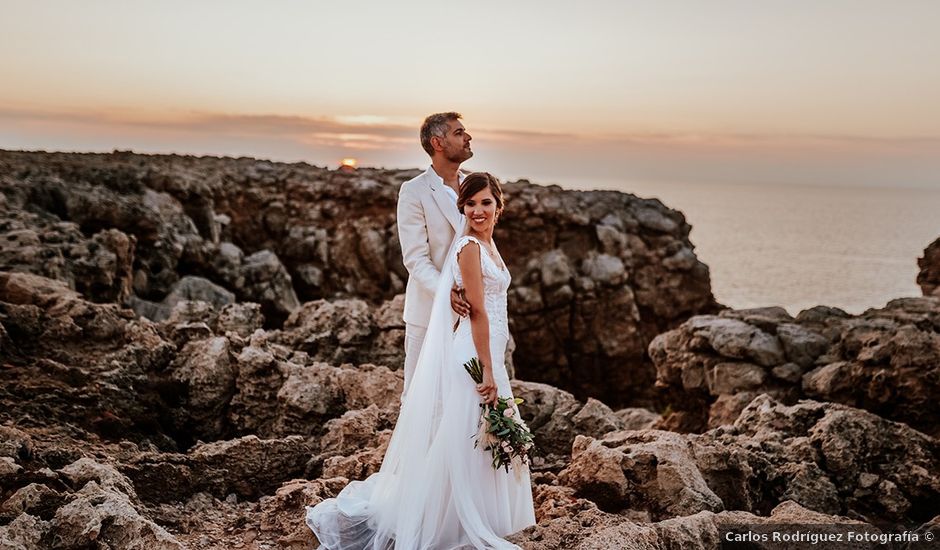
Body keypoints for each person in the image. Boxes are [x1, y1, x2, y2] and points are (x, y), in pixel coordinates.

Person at [305, 172, 536, 549]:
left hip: (489, 349)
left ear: (499, 206)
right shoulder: (471, 249)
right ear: (463, 208)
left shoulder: (489, 245)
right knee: (465, 437)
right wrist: (489, 370)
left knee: (478, 436)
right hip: (475, 355)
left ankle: (481, 517)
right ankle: (451, 523)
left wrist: (495, 360)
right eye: (471, 203)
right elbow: (477, 312)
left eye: (485, 203)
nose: (478, 210)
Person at [397, 112, 474, 402]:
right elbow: (415, 258)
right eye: (459, 133)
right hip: (428, 310)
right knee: (418, 395)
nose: (468, 137)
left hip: (470, 312)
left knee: (464, 396)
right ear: (437, 142)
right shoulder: (414, 191)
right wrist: (446, 291)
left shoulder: (474, 188)